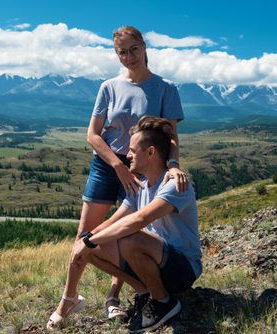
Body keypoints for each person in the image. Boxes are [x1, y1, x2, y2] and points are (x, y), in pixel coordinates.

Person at [48, 26, 189, 325]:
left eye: (133, 49)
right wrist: (117, 165)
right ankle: (69, 300)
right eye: (121, 52)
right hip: (108, 163)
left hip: (144, 165)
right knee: (86, 235)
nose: (128, 56)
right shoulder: (108, 87)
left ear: (144, 46)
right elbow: (93, 135)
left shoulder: (166, 88)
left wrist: (173, 164)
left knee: (128, 231)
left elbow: (171, 136)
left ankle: (116, 298)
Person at [49, 116, 202, 333]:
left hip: (182, 270)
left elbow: (139, 220)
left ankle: (163, 302)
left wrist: (90, 241)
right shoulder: (140, 187)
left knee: (129, 237)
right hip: (157, 261)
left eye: (132, 149)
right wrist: (84, 240)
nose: (127, 155)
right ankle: (143, 291)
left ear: (150, 153)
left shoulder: (175, 184)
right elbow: (112, 222)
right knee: (89, 247)